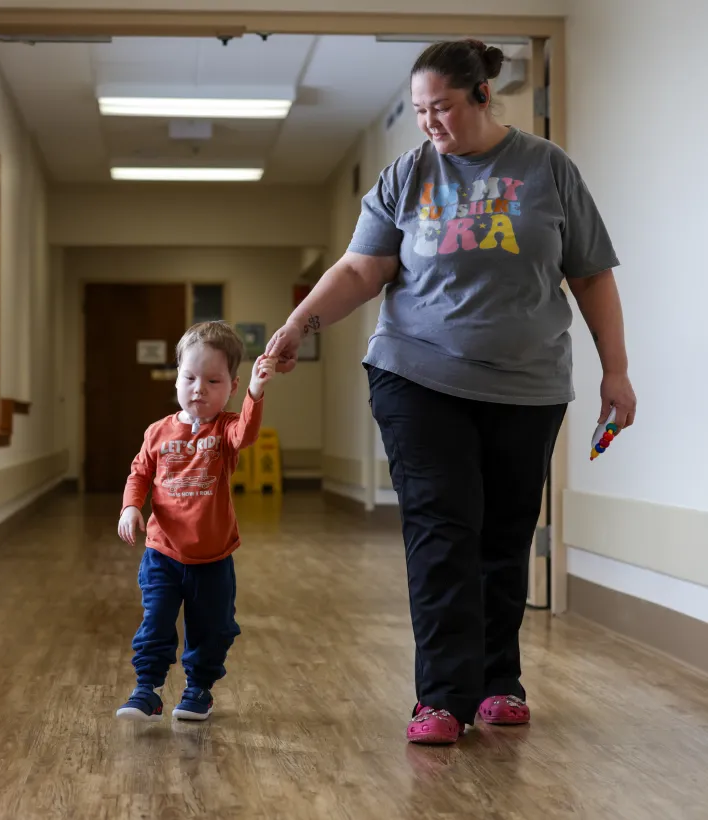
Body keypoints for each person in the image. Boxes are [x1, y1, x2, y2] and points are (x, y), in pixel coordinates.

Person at [266, 39, 636, 745]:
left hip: (528, 384)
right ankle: (440, 696)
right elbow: (360, 269)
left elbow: (591, 273)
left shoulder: (547, 167)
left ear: (482, 96)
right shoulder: (407, 175)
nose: (429, 122)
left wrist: (614, 370)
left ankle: (498, 682)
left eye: (441, 107)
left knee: (505, 533)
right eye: (418, 110)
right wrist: (298, 324)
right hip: (418, 374)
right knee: (443, 527)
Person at [115, 321, 275, 723]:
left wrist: (257, 391)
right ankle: (147, 690)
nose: (199, 389)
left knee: (212, 628)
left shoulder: (225, 429)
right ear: (177, 378)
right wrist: (131, 507)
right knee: (155, 621)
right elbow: (139, 474)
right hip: (163, 553)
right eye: (189, 378)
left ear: (231, 387)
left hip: (213, 558)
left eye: (212, 380)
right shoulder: (158, 432)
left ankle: (198, 690)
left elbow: (246, 433)